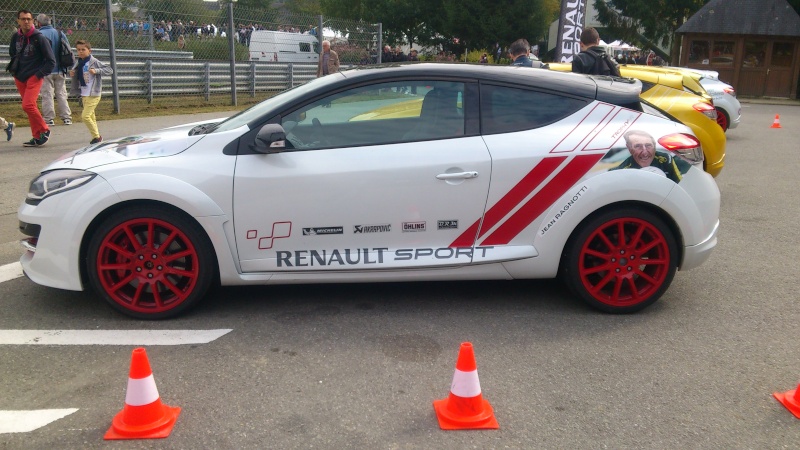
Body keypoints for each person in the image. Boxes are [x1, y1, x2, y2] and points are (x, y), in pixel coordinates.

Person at [8, 9, 55, 147]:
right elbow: (12, 53)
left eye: (29, 19)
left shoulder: (39, 38)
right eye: (23, 19)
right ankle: (36, 136)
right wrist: (16, 71)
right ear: (18, 21)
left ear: (33, 20)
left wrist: (38, 75)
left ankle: (45, 129)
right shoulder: (15, 37)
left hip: (34, 76)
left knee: (27, 105)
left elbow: (51, 61)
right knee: (30, 107)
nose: (26, 21)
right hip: (20, 76)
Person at [69, 40, 113, 145]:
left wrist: (96, 71)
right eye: (78, 50)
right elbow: (77, 75)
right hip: (84, 93)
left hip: (94, 94)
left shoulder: (94, 61)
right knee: (92, 117)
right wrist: (72, 73)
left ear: (89, 50)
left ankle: (97, 137)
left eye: (83, 50)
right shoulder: (78, 62)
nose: (80, 52)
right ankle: (96, 137)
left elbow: (109, 70)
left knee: (85, 116)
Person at [610, 130, 690, 183]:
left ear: (654, 146)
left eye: (648, 145)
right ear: (629, 149)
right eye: (638, 146)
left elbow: (680, 184)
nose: (645, 152)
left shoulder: (665, 159)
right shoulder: (623, 171)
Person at [35, 14, 72, 126]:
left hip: (45, 70)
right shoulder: (60, 33)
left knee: (47, 94)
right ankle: (66, 118)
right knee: (61, 94)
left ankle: (49, 118)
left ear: (39, 23)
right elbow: (68, 49)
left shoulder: (38, 34)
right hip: (60, 69)